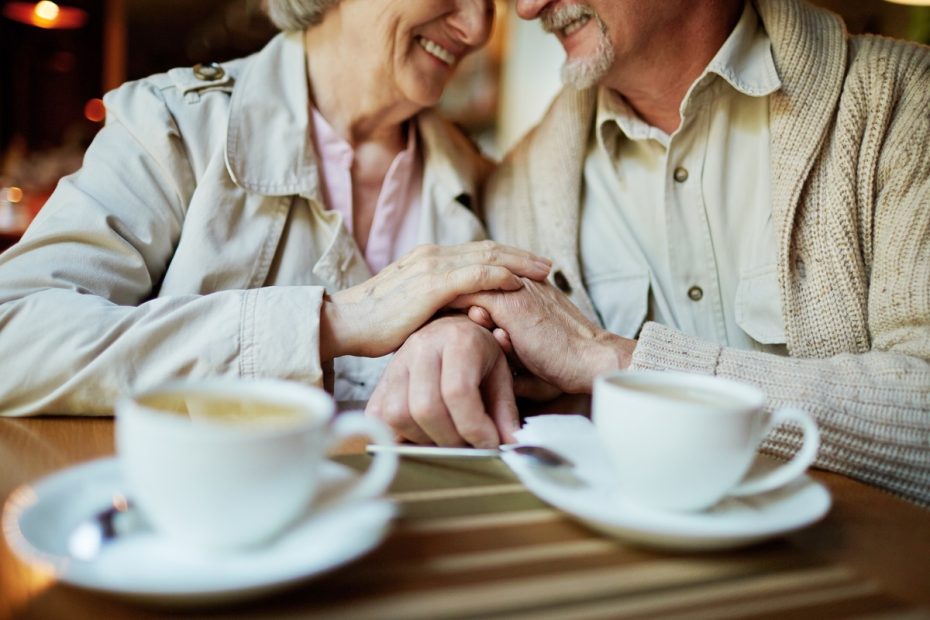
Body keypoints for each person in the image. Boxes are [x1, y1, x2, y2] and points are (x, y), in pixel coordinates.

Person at [367, 0, 930, 505]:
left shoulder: (905, 105)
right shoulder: (517, 191)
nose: (529, 8)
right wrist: (458, 337)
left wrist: (617, 359)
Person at [0, 0, 552, 418]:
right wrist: (334, 322)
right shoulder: (175, 127)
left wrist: (472, 342)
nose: (478, 29)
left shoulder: (486, 181)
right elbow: (14, 336)